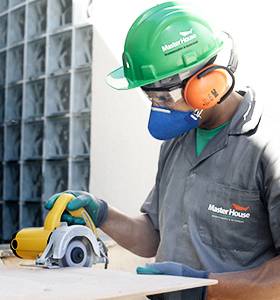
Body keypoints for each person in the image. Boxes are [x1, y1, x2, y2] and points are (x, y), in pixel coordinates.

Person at [45, 2, 280, 299]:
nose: (158, 109)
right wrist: (102, 213)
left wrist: (203, 289)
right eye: (150, 96)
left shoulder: (268, 149)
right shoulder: (178, 140)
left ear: (208, 82)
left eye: (164, 96)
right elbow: (155, 236)